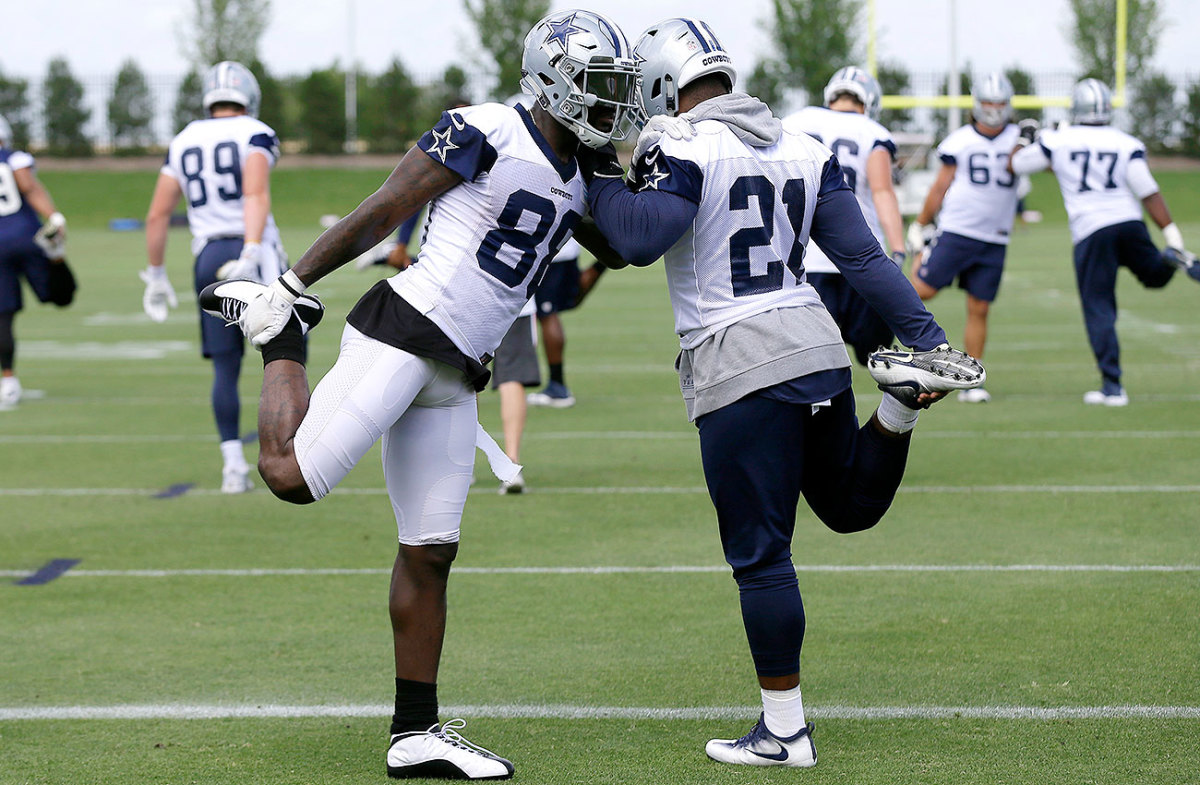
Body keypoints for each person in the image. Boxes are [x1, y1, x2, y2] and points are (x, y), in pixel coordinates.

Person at [199, 9, 641, 779]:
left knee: (431, 552)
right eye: (599, 87)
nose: (610, 104)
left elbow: (628, 242)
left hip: (459, 369)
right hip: (408, 328)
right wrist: (294, 283)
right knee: (290, 476)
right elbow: (385, 206)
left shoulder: (584, 172)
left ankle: (415, 731)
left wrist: (668, 159)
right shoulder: (484, 128)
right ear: (552, 79)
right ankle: (283, 337)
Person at [583, 17, 983, 769]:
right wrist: (927, 338)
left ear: (667, 84)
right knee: (847, 507)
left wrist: (599, 173)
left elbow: (639, 239)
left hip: (739, 361)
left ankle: (786, 731)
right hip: (818, 343)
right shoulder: (803, 143)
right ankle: (896, 402)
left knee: (762, 556)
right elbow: (861, 255)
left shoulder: (683, 142)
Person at [141, 61, 288, 493]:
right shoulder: (255, 132)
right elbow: (255, 192)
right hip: (250, 249)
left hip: (207, 255)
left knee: (225, 368)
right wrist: (251, 249)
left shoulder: (183, 139)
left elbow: (158, 214)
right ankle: (291, 453)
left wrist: (155, 274)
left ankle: (232, 467)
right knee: (285, 354)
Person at [1009, 78, 1199, 406]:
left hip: (1092, 230)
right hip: (1129, 222)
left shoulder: (1060, 139)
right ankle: (1170, 257)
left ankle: (1113, 386)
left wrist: (1025, 136)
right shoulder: (1125, 142)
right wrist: (1172, 234)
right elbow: (1148, 191)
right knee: (1153, 277)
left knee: (1099, 307)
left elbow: (1016, 164)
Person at [905, 73, 1022, 402]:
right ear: (977, 105)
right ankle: (922, 252)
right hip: (959, 228)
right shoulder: (960, 141)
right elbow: (941, 185)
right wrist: (923, 223)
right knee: (922, 291)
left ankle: (973, 380)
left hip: (995, 236)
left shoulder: (1019, 138)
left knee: (979, 307)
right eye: (989, 103)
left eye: (1000, 103)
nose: (995, 110)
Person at [782, 66, 908, 366]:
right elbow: (882, 192)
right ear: (869, 102)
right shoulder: (872, 132)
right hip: (861, 259)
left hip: (804, 257)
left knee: (815, 364)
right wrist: (898, 248)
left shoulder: (795, 122)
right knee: (879, 360)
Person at [0, 114, 75, 408]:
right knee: (59, 296)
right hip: (25, 237)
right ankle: (57, 258)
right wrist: (54, 216)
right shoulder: (14, 158)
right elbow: (28, 186)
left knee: (3, 315)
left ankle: (8, 380)